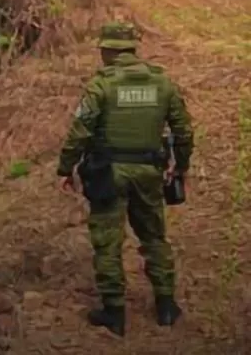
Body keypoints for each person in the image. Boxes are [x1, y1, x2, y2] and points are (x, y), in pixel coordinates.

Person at [56, 22, 194, 336]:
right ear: (132, 49)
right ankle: (166, 306)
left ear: (107, 51)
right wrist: (181, 166)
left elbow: (79, 132)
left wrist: (65, 168)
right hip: (149, 172)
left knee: (108, 241)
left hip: (109, 174)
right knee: (154, 236)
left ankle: (114, 313)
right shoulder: (162, 83)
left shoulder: (101, 86)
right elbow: (184, 131)